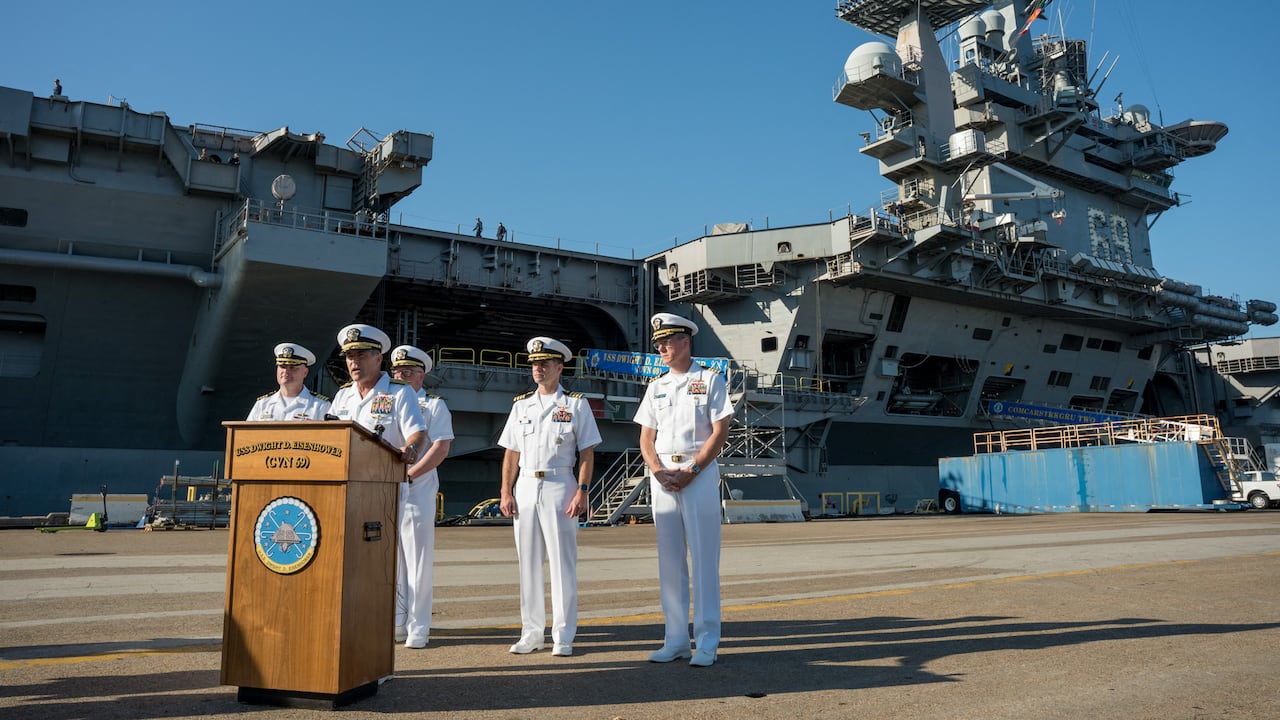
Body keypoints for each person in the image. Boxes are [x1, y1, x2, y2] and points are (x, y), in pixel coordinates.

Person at [634, 313, 732, 667]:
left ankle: (707, 641)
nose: (660, 347)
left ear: (686, 341)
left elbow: (720, 430)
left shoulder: (710, 380)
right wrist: (657, 470)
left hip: (699, 474)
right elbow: (646, 436)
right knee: (670, 562)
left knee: (705, 560)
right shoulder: (656, 386)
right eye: (658, 342)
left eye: (667, 341)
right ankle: (675, 639)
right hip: (662, 477)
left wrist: (692, 469)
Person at [498, 337, 601, 657]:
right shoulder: (521, 406)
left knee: (562, 563)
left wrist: (583, 491)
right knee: (527, 564)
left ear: (560, 367)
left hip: (560, 485)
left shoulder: (576, 405)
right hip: (526, 485)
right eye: (534, 363)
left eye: (545, 363)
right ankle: (531, 633)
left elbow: (586, 453)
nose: (538, 368)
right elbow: (511, 454)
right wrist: (505, 490)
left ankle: (563, 634)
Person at [327, 324, 429, 647]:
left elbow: (417, 433)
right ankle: (354, 619)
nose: (353, 362)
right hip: (347, 493)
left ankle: (393, 623)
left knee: (387, 561)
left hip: (385, 490)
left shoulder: (400, 393)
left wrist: (409, 451)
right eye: (349, 356)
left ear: (378, 357)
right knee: (351, 560)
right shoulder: (342, 395)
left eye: (360, 355)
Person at [388, 344, 454, 650]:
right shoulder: (387, 401)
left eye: (408, 371)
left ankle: (419, 627)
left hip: (416, 491)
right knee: (389, 561)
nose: (400, 375)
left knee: (417, 561)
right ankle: (396, 622)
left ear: (421, 376)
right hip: (385, 490)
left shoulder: (434, 406)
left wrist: (410, 474)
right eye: (397, 371)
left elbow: (440, 448)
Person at [245, 343, 331, 421]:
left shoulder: (320, 406)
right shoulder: (263, 404)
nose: (286, 371)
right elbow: (245, 436)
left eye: (292, 368)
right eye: (282, 366)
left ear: (305, 372)